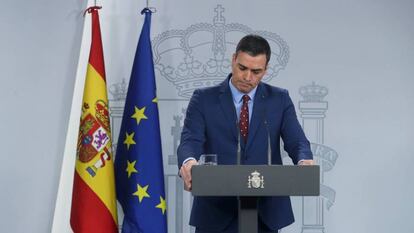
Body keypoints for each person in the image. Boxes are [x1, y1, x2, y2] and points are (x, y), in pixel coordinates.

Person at [177, 34, 314, 233]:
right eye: (242, 68)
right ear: (234, 60)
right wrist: (188, 161)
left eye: (256, 71)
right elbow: (190, 140)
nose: (247, 77)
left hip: (265, 212)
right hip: (216, 212)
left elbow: (298, 142)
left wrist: (304, 161)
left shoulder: (279, 99)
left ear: (266, 70)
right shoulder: (204, 99)